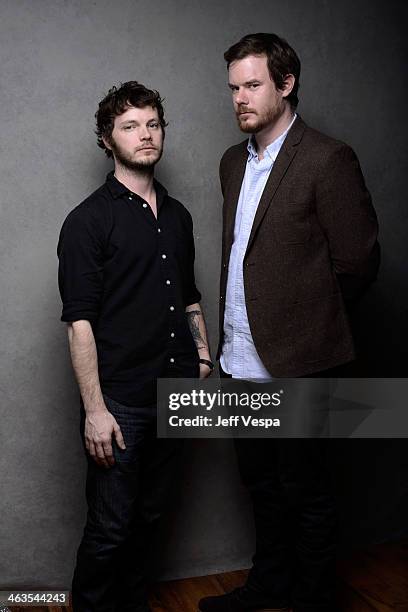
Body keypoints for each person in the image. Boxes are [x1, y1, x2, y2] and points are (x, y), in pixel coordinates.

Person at [198, 33, 380, 612]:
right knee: (263, 488)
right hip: (239, 361)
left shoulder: (328, 158)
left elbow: (358, 262)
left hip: (300, 362)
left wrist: (308, 327)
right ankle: (269, 585)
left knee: (306, 491)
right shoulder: (232, 162)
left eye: (252, 85)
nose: (240, 99)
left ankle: (313, 598)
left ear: (286, 83)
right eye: (234, 88)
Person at [57, 81, 212, 612]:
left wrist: (204, 358)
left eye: (152, 124)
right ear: (107, 139)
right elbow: (79, 323)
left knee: (151, 518)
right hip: (119, 401)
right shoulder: (87, 221)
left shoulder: (179, 216)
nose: (144, 135)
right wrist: (95, 411)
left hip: (177, 394)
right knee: (111, 528)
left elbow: (188, 297)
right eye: (130, 126)